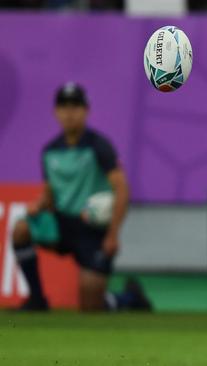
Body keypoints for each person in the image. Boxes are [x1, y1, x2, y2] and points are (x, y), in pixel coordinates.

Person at [12, 82, 150, 312]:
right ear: (56, 112)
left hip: (92, 229)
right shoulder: (50, 151)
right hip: (62, 224)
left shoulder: (99, 146)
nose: (69, 112)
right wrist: (40, 204)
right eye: (64, 106)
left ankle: (129, 298)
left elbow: (122, 189)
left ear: (86, 110)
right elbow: (50, 193)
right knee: (20, 229)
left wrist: (113, 235)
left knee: (90, 307)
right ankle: (36, 299)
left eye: (75, 106)